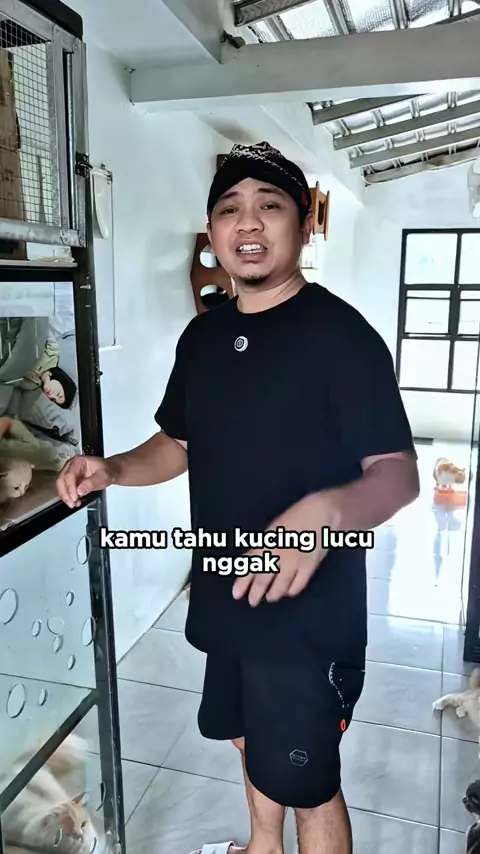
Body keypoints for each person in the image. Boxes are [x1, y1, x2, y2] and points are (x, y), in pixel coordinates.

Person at [56, 141, 419, 854]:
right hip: (226, 592)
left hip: (308, 618)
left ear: (304, 225)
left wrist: (327, 512)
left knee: (310, 783)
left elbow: (398, 474)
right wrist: (112, 469)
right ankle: (262, 846)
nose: (247, 222)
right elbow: (179, 443)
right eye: (230, 208)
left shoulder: (342, 338)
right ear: (212, 230)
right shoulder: (205, 335)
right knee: (248, 735)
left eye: (269, 205)